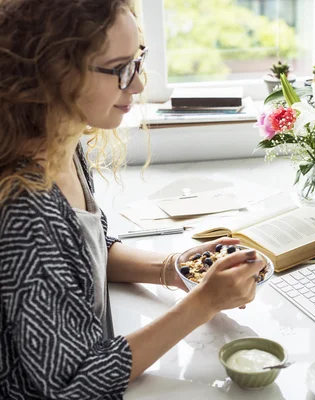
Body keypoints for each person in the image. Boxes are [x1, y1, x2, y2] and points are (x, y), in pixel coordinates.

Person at [0, 1, 265, 398]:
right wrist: (204, 304)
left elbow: (82, 258)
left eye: (139, 61)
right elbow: (72, 383)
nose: (138, 84)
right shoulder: (24, 210)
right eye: (121, 68)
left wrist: (173, 268)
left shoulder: (63, 144)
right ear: (56, 73)